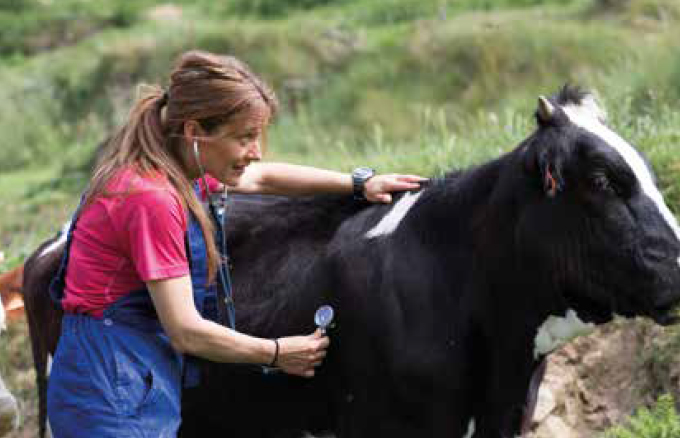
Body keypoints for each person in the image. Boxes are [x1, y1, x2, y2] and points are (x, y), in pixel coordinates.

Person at [46, 50, 425, 437]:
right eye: (245, 137)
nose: (256, 150)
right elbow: (185, 331)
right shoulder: (150, 200)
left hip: (130, 373)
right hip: (108, 386)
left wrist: (359, 183)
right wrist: (277, 353)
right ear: (195, 132)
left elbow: (260, 178)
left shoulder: (174, 170)